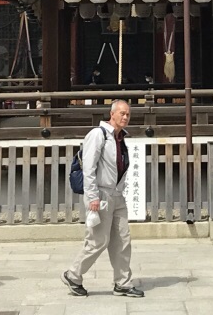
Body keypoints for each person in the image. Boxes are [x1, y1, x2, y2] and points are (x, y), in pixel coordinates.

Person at [62, 100, 143, 298]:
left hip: (117, 195)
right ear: (112, 114)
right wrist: (92, 197)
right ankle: (74, 275)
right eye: (122, 113)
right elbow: (89, 167)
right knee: (98, 240)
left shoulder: (120, 138)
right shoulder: (98, 135)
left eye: (128, 115)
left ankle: (122, 283)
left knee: (122, 240)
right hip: (101, 193)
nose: (125, 117)